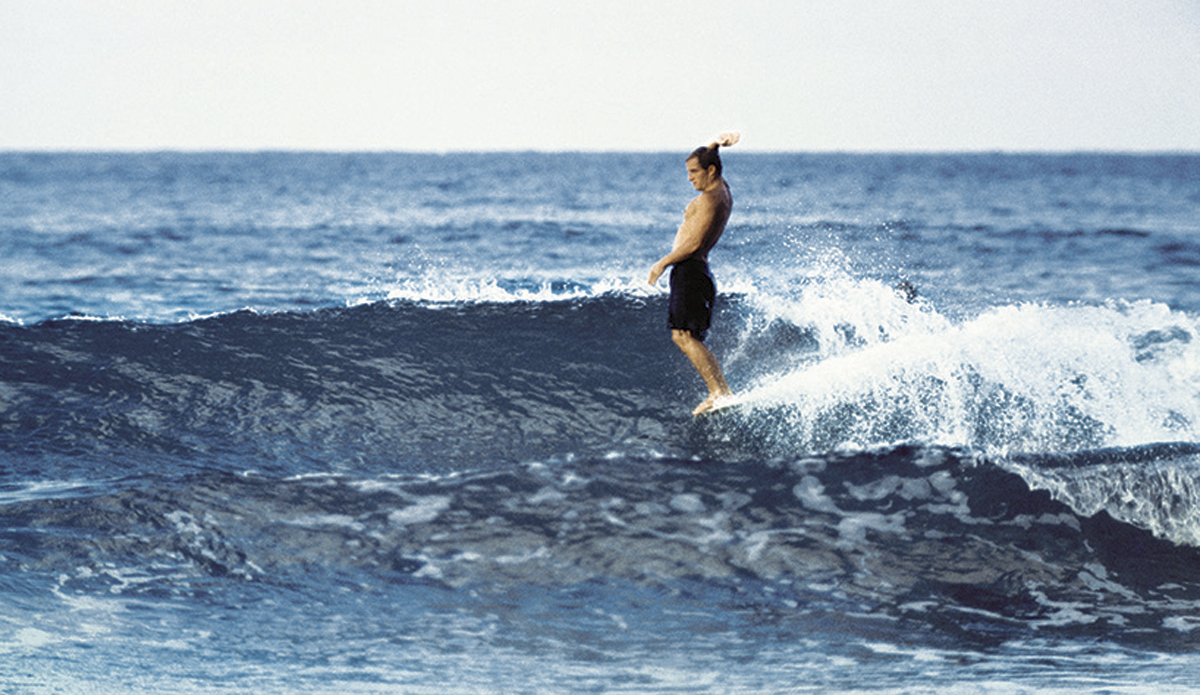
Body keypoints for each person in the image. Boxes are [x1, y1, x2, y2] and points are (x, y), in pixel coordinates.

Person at [648, 132, 739, 415]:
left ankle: (719, 392)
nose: (689, 178)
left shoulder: (710, 200)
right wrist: (715, 145)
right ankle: (720, 391)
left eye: (693, 172)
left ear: (710, 171)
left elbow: (695, 243)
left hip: (690, 270)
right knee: (686, 336)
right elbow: (711, 162)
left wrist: (663, 263)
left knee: (684, 336)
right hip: (698, 273)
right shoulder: (722, 188)